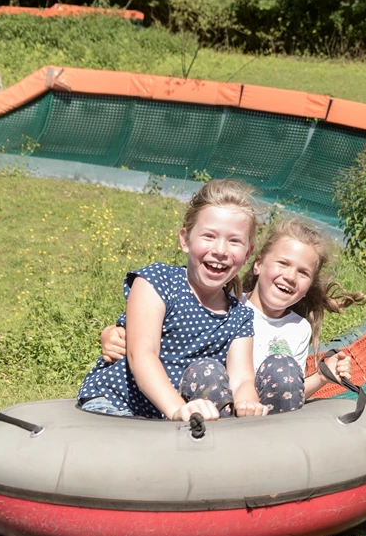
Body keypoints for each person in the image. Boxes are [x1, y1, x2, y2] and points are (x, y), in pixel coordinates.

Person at [99, 217, 366, 414]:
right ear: (258, 264)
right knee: (209, 371)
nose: (290, 276)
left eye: (303, 272)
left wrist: (321, 376)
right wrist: (113, 333)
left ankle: (277, 458)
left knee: (282, 366)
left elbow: (288, 390)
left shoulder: (298, 329)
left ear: (310, 284)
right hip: (213, 403)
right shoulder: (228, 307)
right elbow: (163, 327)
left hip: (261, 416)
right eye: (283, 263)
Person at [78, 179, 268, 421]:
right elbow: (143, 354)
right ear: (185, 240)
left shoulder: (240, 315)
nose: (221, 250)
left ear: (248, 253)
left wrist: (248, 403)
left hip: (178, 416)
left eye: (234, 241)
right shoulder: (157, 282)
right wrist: (177, 409)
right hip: (118, 403)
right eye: (209, 236)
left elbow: (242, 378)